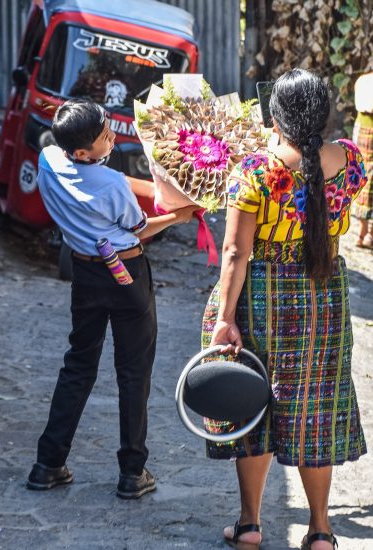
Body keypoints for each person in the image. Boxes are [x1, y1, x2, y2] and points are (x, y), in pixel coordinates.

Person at [201, 69, 367, 549]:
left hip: (262, 299)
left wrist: (225, 319)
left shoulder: (255, 171)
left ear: (275, 116)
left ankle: (250, 524)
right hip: (326, 294)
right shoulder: (351, 162)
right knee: (316, 405)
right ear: (325, 114)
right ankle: (321, 530)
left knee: (251, 399)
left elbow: (235, 254)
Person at [26, 99, 197, 499]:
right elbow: (139, 229)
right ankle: (132, 473)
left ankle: (47, 464)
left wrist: (161, 190)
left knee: (78, 365)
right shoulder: (112, 186)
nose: (113, 136)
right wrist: (180, 214)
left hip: (85, 273)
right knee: (133, 373)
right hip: (126, 276)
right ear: (84, 152)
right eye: (105, 136)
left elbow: (110, 181)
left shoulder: (51, 158)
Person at [352, 71, 373, 249]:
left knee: (362, 173)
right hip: (369, 130)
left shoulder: (362, 80)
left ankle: (361, 232)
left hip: (361, 130)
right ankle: (369, 235)